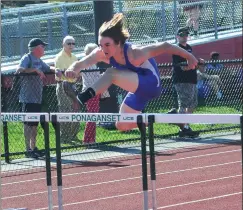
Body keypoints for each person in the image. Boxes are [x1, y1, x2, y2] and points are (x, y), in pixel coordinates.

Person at [65, 13, 198, 132]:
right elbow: (81, 64)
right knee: (122, 125)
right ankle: (166, 118)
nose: (103, 49)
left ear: (118, 43)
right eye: (100, 45)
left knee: (111, 73)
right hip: (137, 88)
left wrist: (190, 57)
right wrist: (71, 69)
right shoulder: (101, 53)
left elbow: (165, 46)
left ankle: (81, 99)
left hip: (151, 83)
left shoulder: (134, 53)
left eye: (107, 45)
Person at [15, 38, 62, 158]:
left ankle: (33, 147)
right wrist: (35, 70)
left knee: (35, 125)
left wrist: (55, 70)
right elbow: (19, 70)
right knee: (28, 124)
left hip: (37, 98)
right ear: (36, 48)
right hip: (27, 98)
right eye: (42, 46)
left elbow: (47, 68)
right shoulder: (27, 58)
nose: (44, 48)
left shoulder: (39, 60)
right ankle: (27, 149)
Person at [170, 27, 202, 137]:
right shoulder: (176, 48)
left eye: (186, 34)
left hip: (192, 79)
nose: (184, 36)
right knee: (184, 104)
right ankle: (182, 127)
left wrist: (197, 63)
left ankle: (186, 126)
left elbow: (192, 64)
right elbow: (183, 67)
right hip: (182, 80)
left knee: (193, 104)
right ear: (177, 36)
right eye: (182, 35)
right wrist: (193, 64)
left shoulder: (189, 47)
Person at [54, 35, 80, 144]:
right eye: (68, 43)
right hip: (63, 85)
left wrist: (74, 75)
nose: (71, 45)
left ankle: (73, 135)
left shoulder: (74, 57)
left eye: (73, 43)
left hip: (73, 85)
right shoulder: (59, 57)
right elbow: (61, 73)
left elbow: (77, 72)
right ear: (63, 44)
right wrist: (70, 74)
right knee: (65, 111)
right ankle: (64, 137)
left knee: (76, 110)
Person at [82, 43, 110, 144]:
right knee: (92, 115)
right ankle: (87, 140)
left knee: (94, 115)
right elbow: (94, 78)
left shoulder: (92, 63)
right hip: (90, 92)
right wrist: (106, 75)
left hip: (94, 91)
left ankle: (91, 139)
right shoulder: (88, 63)